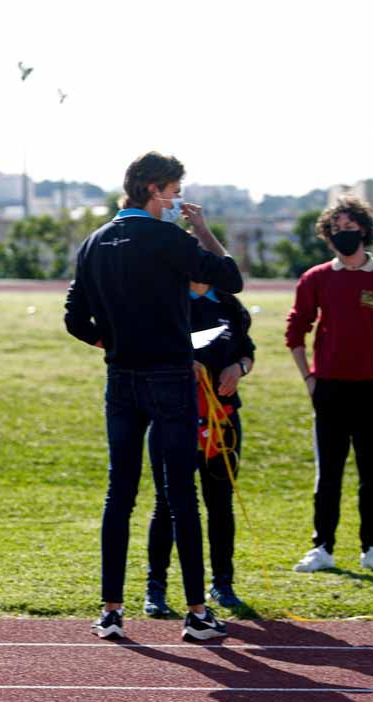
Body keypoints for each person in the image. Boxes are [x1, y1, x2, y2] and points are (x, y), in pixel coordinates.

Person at [65, 151, 243, 641]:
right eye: (173, 189)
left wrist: (116, 342)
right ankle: (197, 613)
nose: (177, 198)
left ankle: (111, 611)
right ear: (154, 188)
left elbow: (75, 320)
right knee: (180, 493)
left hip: (120, 377)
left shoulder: (94, 242)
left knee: (118, 493)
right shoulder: (169, 238)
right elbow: (231, 280)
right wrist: (203, 231)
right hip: (168, 376)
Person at [285, 196, 373, 574]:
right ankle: (322, 547)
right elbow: (295, 330)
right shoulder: (317, 278)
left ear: (365, 230)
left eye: (350, 227)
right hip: (328, 389)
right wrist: (309, 378)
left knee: (372, 476)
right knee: (328, 475)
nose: (344, 234)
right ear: (329, 234)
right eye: (336, 229)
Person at [145, 278, 255, 617]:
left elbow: (247, 352)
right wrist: (179, 363)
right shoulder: (165, 300)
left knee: (219, 503)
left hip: (221, 420)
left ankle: (223, 583)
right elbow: (145, 351)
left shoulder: (229, 307)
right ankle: (156, 588)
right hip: (172, 418)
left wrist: (239, 368)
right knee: (167, 503)